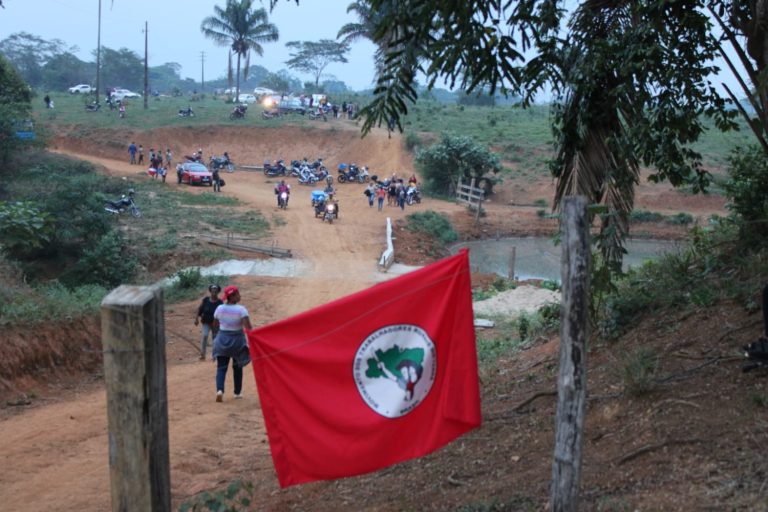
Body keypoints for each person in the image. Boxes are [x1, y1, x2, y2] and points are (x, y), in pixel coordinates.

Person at [212, 285, 252, 402]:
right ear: (233, 296)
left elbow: (215, 325)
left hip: (222, 340)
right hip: (237, 342)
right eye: (238, 294)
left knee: (221, 368)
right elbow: (248, 327)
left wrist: (217, 337)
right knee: (237, 367)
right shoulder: (241, 310)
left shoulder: (219, 308)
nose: (240, 296)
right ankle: (237, 392)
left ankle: (220, 390)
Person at [194, 284, 223, 361]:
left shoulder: (220, 302)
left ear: (218, 292)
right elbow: (199, 309)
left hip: (216, 324)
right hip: (206, 322)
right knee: (205, 336)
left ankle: (215, 355)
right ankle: (202, 354)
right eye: (213, 291)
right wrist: (196, 318)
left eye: (215, 292)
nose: (214, 293)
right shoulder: (206, 300)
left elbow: (222, 313)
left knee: (215, 339)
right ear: (210, 292)